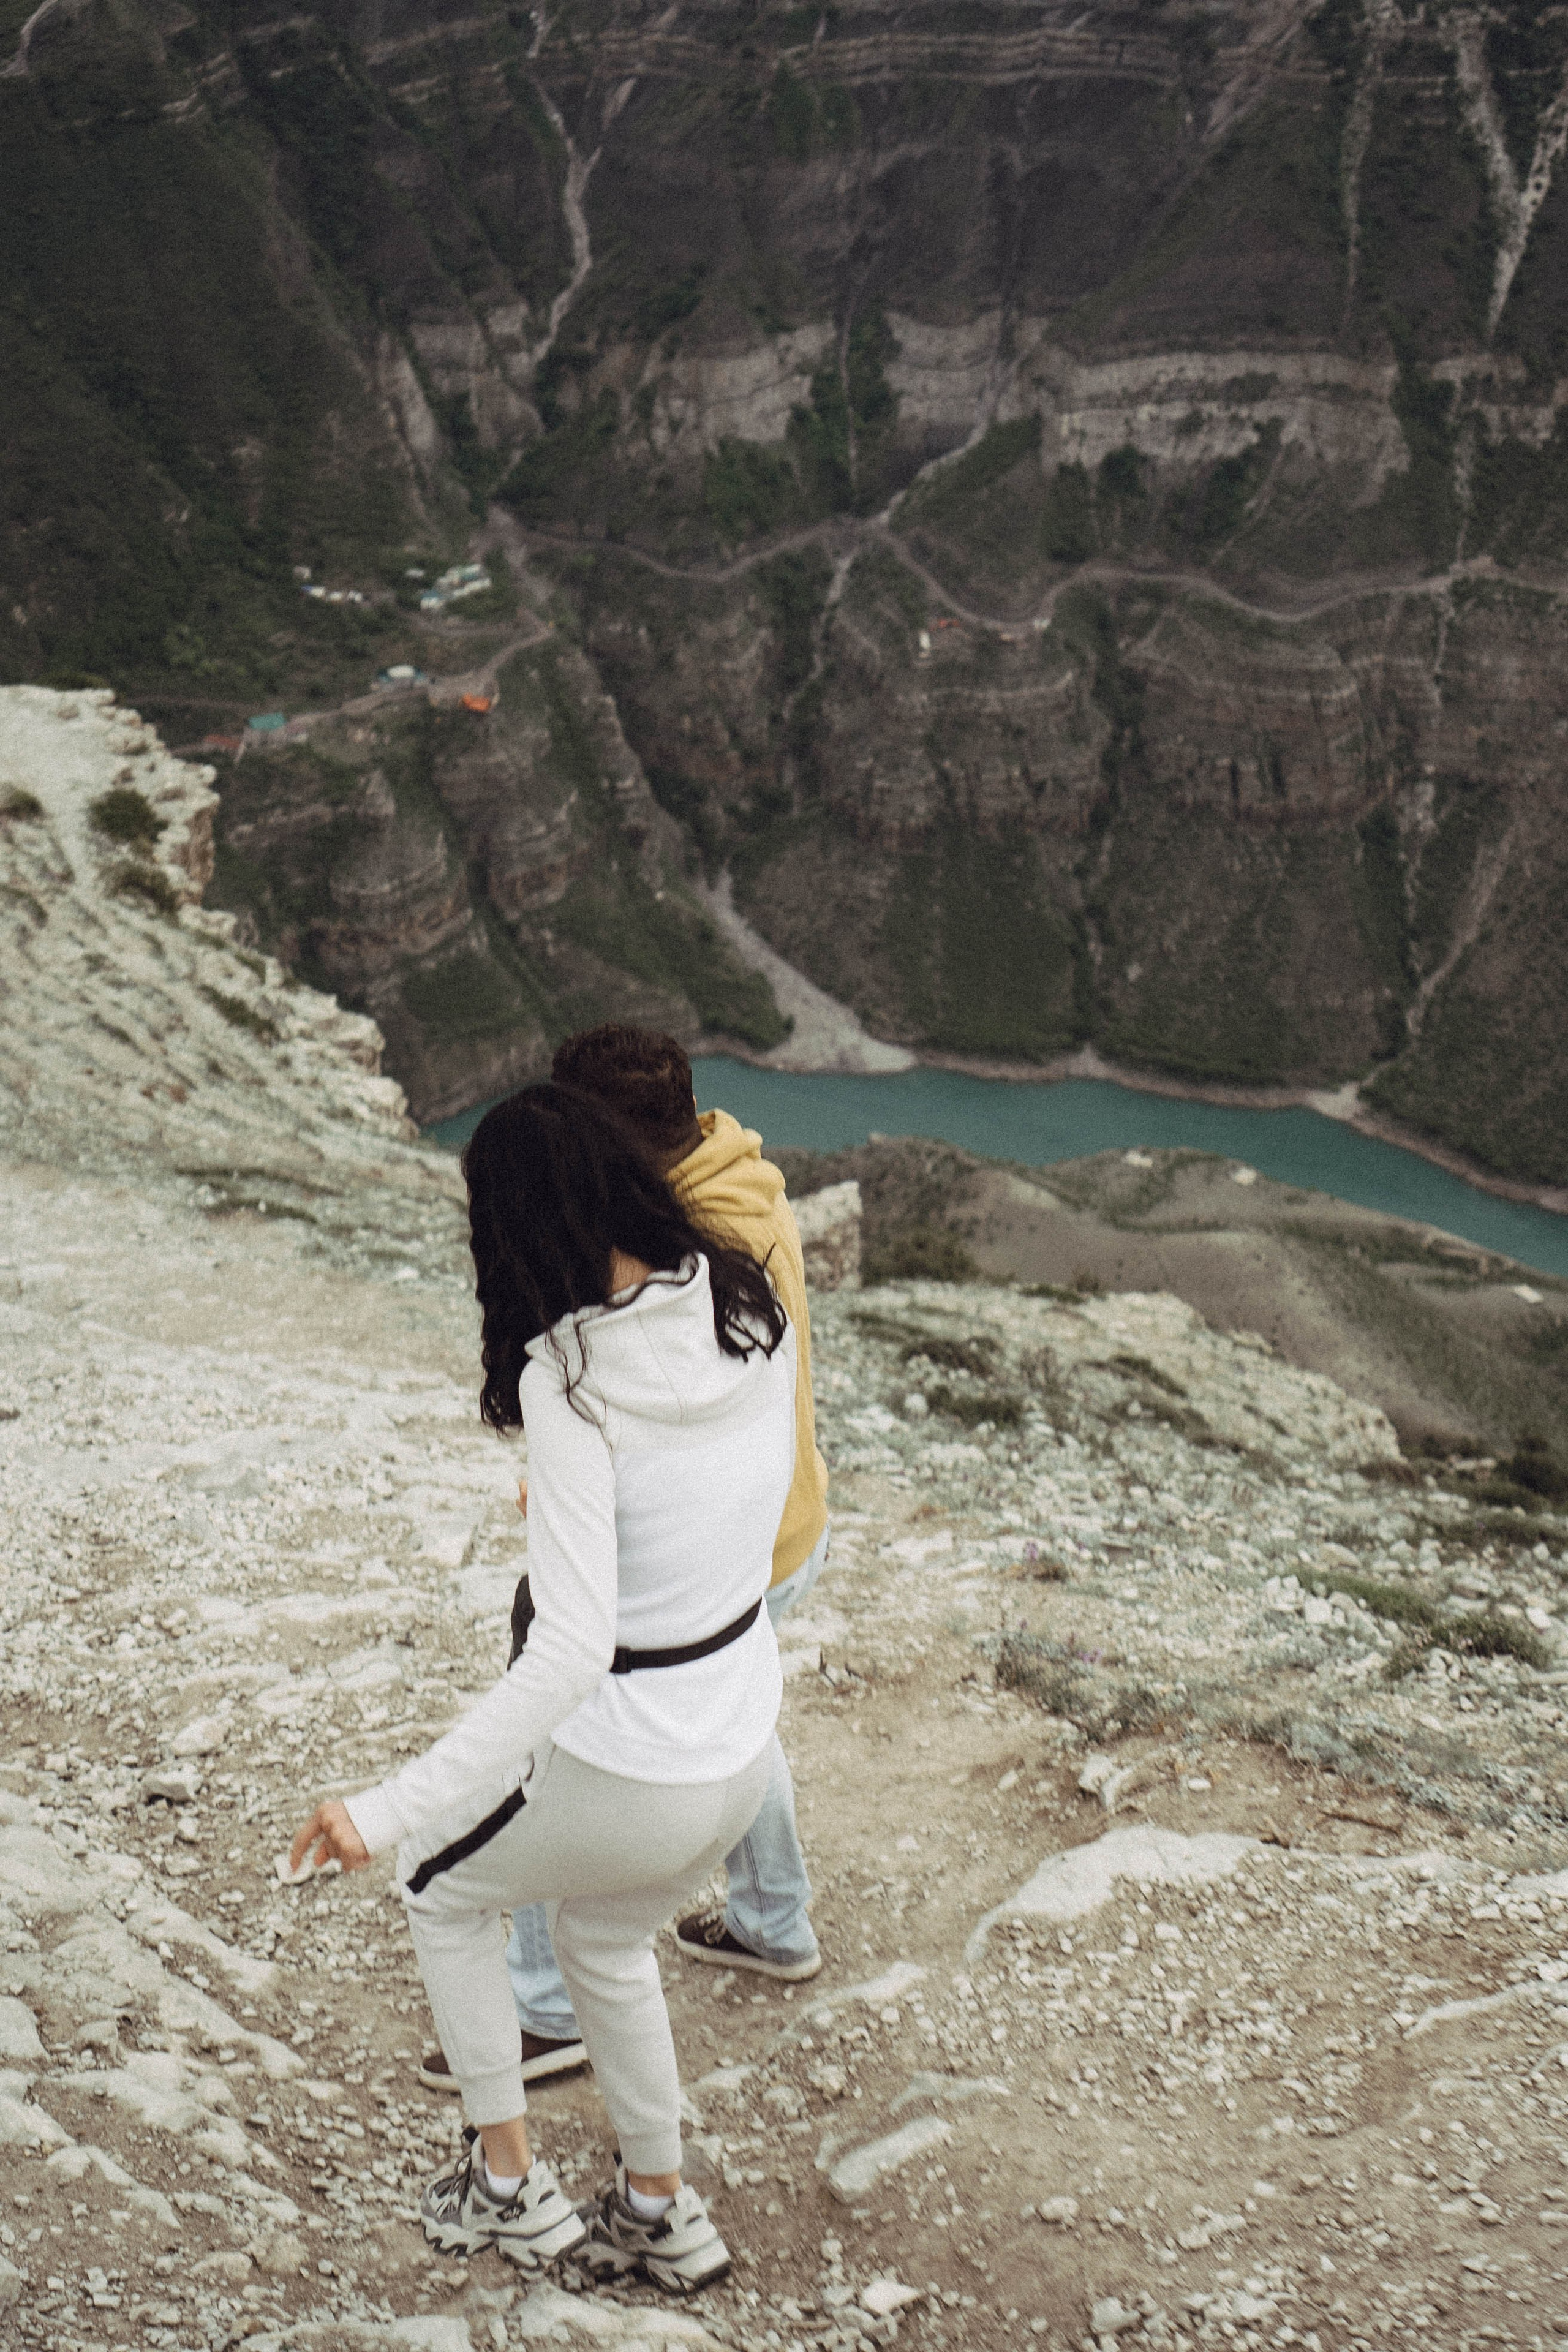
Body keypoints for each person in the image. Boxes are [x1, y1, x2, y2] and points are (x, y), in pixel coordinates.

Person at [290, 1083, 796, 2288]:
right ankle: (658, 2209)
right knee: (603, 1941)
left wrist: (384, 1807)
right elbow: (727, 1490)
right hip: (740, 1747)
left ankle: (508, 2189)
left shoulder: (567, 1380)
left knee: (437, 1886)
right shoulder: (744, 1299)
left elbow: (568, 1654)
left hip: (636, 1759)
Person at [417, 1025, 829, 2098]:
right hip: (780, 1516)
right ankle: (774, 1919)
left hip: (724, 1539)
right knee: (732, 1706)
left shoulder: (682, 1240)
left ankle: (546, 2009)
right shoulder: (741, 1181)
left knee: (572, 1741)